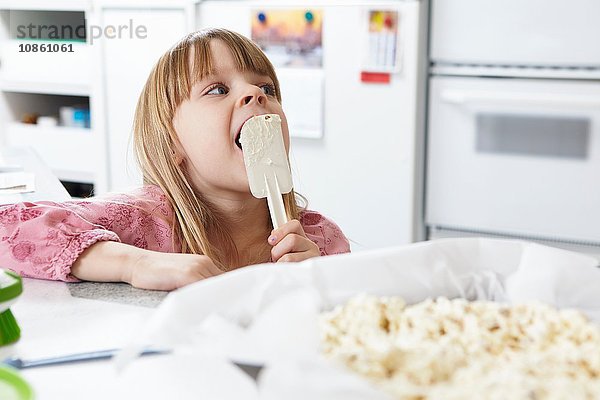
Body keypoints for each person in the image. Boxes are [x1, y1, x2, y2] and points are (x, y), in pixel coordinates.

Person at [0, 28, 350, 291]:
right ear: (172, 142)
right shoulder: (142, 221)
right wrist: (133, 264)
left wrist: (318, 286)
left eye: (268, 89)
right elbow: (7, 227)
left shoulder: (321, 240)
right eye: (218, 89)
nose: (255, 94)